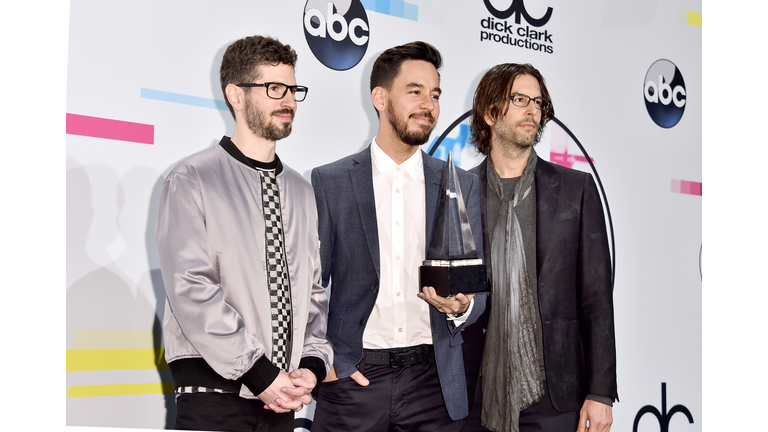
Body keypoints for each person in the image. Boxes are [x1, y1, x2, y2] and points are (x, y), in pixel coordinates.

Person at [155, 35, 332, 432]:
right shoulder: (193, 178)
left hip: (282, 400)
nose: (288, 101)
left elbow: (313, 292)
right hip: (214, 398)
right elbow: (191, 288)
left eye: (292, 89)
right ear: (235, 95)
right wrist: (258, 373)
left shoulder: (302, 190)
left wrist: (312, 365)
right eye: (274, 89)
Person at [309, 41, 486, 431]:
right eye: (415, 91)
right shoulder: (331, 181)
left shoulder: (460, 185)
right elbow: (310, 285)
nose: (429, 104)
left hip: (433, 384)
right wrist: (328, 362)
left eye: (435, 94)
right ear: (380, 98)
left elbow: (478, 289)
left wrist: (461, 307)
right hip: (354, 381)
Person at [465, 63, 618, 432]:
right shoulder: (459, 191)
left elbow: (597, 300)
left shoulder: (575, 190)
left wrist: (600, 394)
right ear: (489, 112)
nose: (532, 109)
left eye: (538, 101)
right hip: (476, 398)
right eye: (519, 99)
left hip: (555, 399)